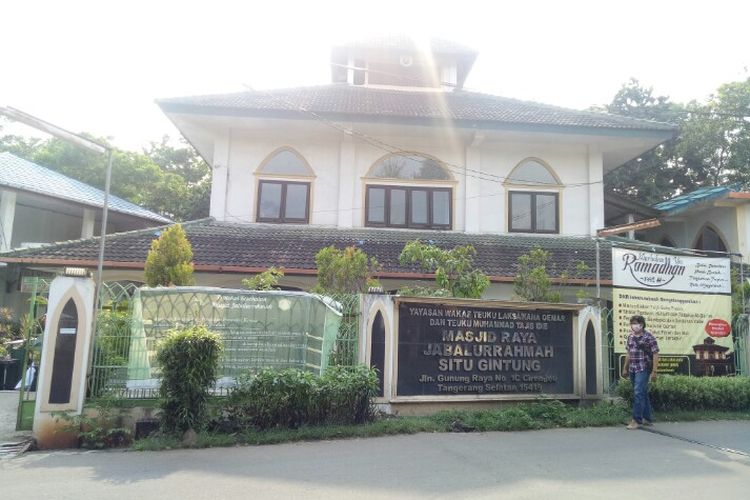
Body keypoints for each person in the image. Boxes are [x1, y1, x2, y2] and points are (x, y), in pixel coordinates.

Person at [621, 314, 659, 430]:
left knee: (638, 393)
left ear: (642, 325)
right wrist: (625, 367)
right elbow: (628, 353)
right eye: (632, 323)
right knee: (642, 392)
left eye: (636, 323)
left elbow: (656, 354)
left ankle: (636, 420)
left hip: (643, 368)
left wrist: (654, 371)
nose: (634, 326)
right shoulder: (630, 337)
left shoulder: (649, 337)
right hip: (632, 368)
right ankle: (647, 418)